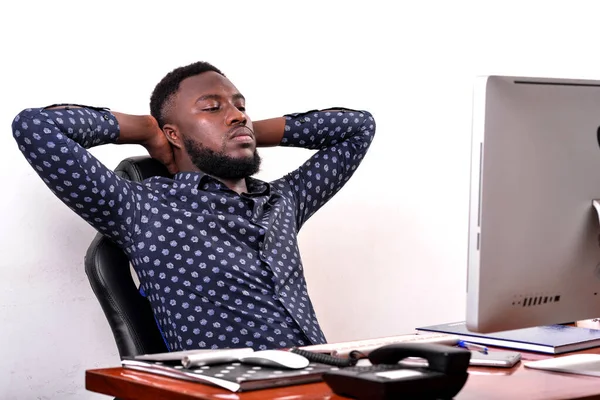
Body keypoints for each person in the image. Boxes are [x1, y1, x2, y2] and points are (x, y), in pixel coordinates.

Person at [12, 61, 376, 351]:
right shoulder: (142, 209)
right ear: (173, 133)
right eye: (212, 108)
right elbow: (36, 127)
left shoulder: (285, 200)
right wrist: (146, 129)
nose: (237, 114)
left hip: (324, 380)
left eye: (241, 106)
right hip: (233, 391)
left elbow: (359, 127)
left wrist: (245, 131)